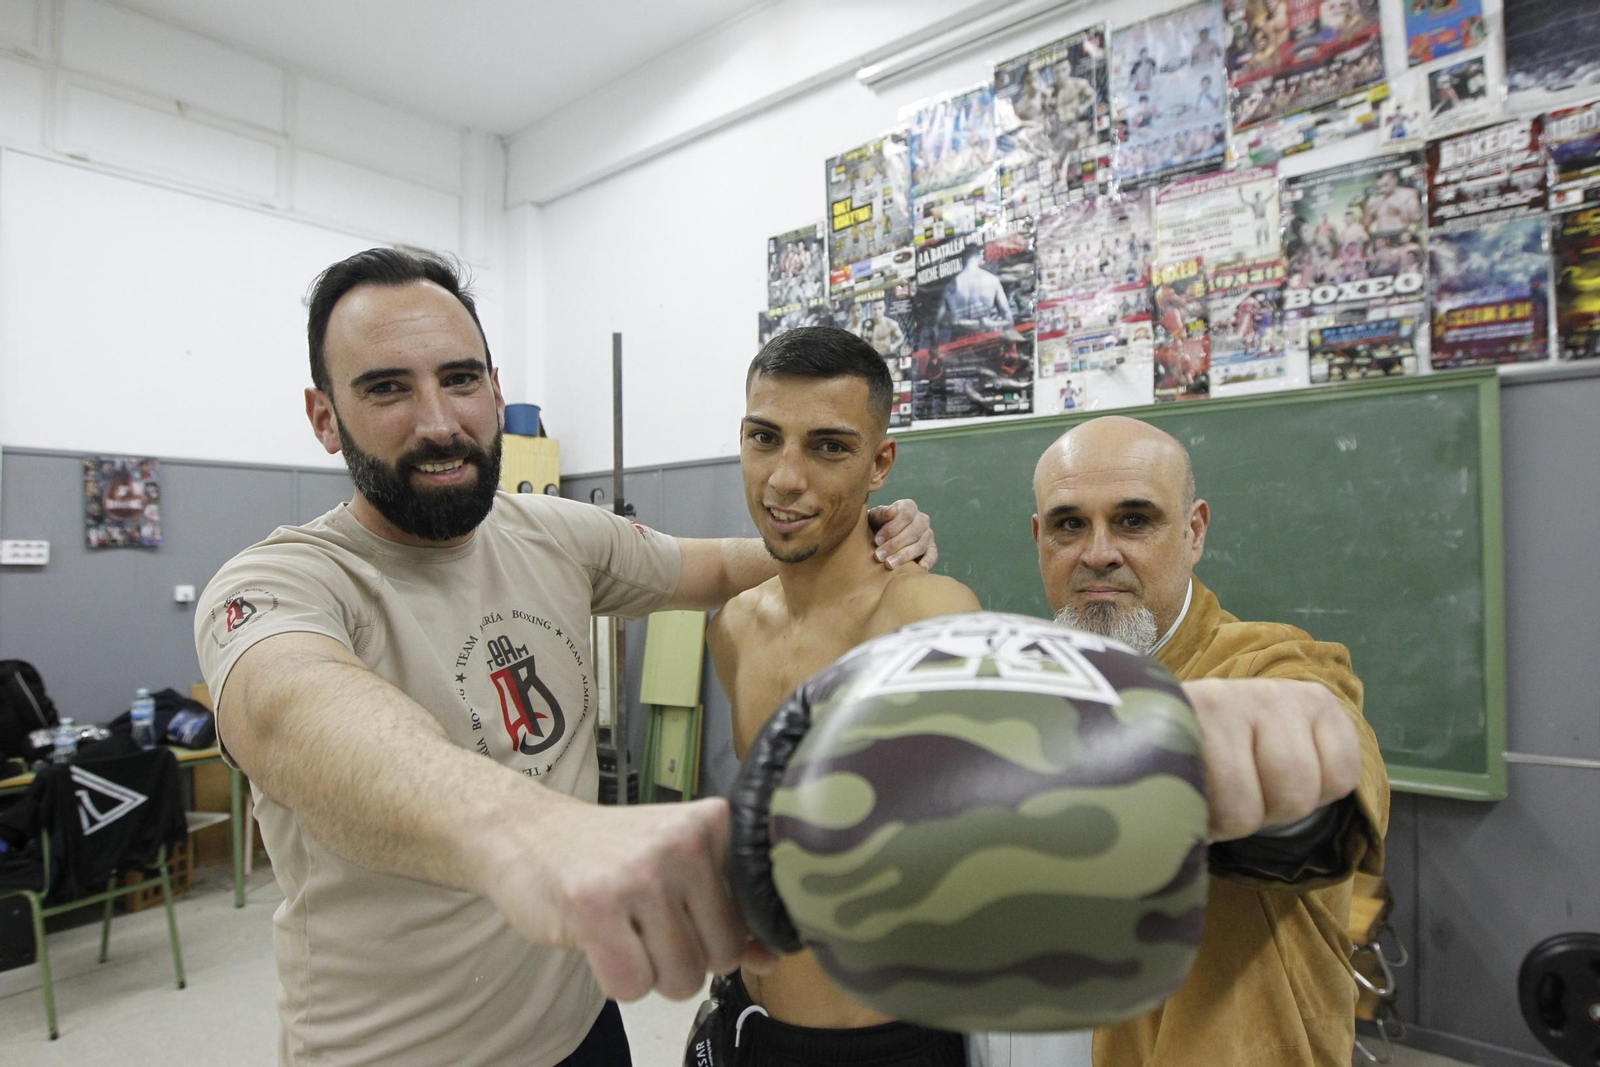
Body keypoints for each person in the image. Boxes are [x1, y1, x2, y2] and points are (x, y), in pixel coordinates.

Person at [193, 249, 938, 1067]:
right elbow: (296, 712)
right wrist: (536, 831)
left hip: (583, 1031)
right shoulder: (283, 580)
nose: (439, 420)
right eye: (385, 388)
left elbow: (725, 564)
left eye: (460, 378)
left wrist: (866, 534)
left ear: (496, 390)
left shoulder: (552, 533)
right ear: (324, 415)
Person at [973, 415, 1387, 1067]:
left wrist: (1255, 749)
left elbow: (1323, 778)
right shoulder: (1032, 684)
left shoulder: (1271, 665)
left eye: (1134, 520)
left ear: (1193, 532)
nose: (1098, 551)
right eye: (1069, 524)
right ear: (1039, 538)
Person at [706, 326, 982, 1065]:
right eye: (765, 438)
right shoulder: (733, 625)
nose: (784, 478)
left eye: (828, 446)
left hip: (886, 1041)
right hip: (746, 1021)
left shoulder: (929, 618)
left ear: (879, 462)